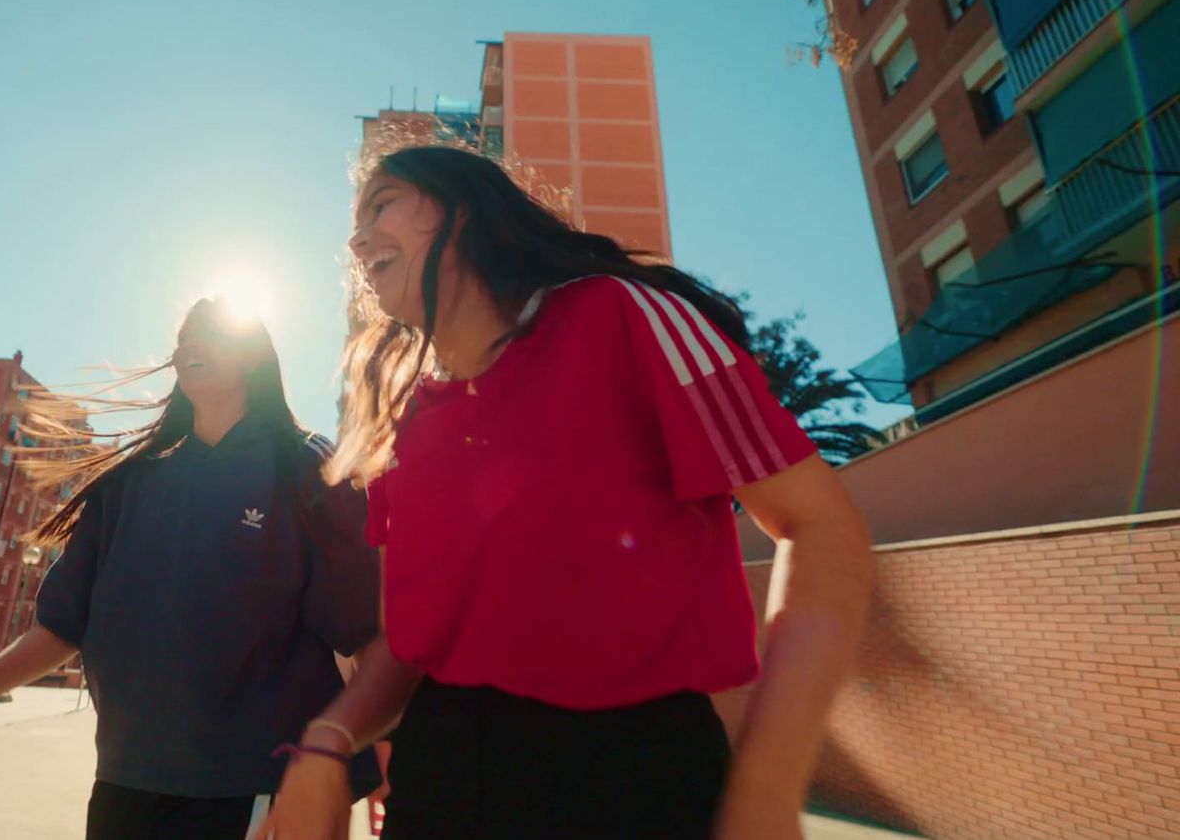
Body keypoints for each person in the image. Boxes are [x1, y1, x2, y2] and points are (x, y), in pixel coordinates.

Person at [262, 145, 876, 840]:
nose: (358, 236)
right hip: (439, 788)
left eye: (382, 203)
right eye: (356, 220)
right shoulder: (406, 422)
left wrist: (766, 793)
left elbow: (822, 527)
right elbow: (411, 647)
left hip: (632, 781)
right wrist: (328, 739)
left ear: (463, 209)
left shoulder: (624, 314)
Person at [0, 297, 383, 840]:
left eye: (210, 332)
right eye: (184, 334)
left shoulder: (307, 470)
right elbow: (62, 625)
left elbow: (366, 641)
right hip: (126, 784)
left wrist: (358, 769)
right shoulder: (128, 484)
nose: (190, 342)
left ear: (252, 357)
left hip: (262, 789)